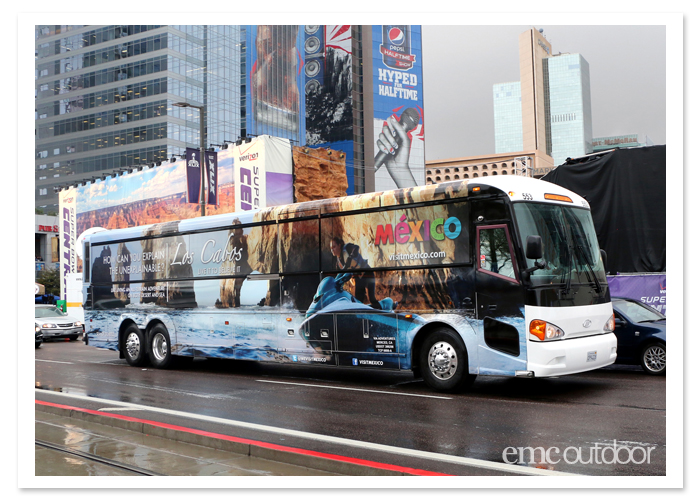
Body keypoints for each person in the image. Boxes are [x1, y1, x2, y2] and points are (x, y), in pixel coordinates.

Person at [329, 237, 381, 309]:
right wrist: (334, 285)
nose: (332, 250)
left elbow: (356, 247)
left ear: (339, 245)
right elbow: (339, 276)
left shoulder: (347, 248)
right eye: (331, 248)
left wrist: (350, 257)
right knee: (358, 300)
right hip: (359, 278)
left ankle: (383, 313)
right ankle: (362, 317)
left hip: (367, 274)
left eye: (334, 247)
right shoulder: (338, 264)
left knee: (371, 298)